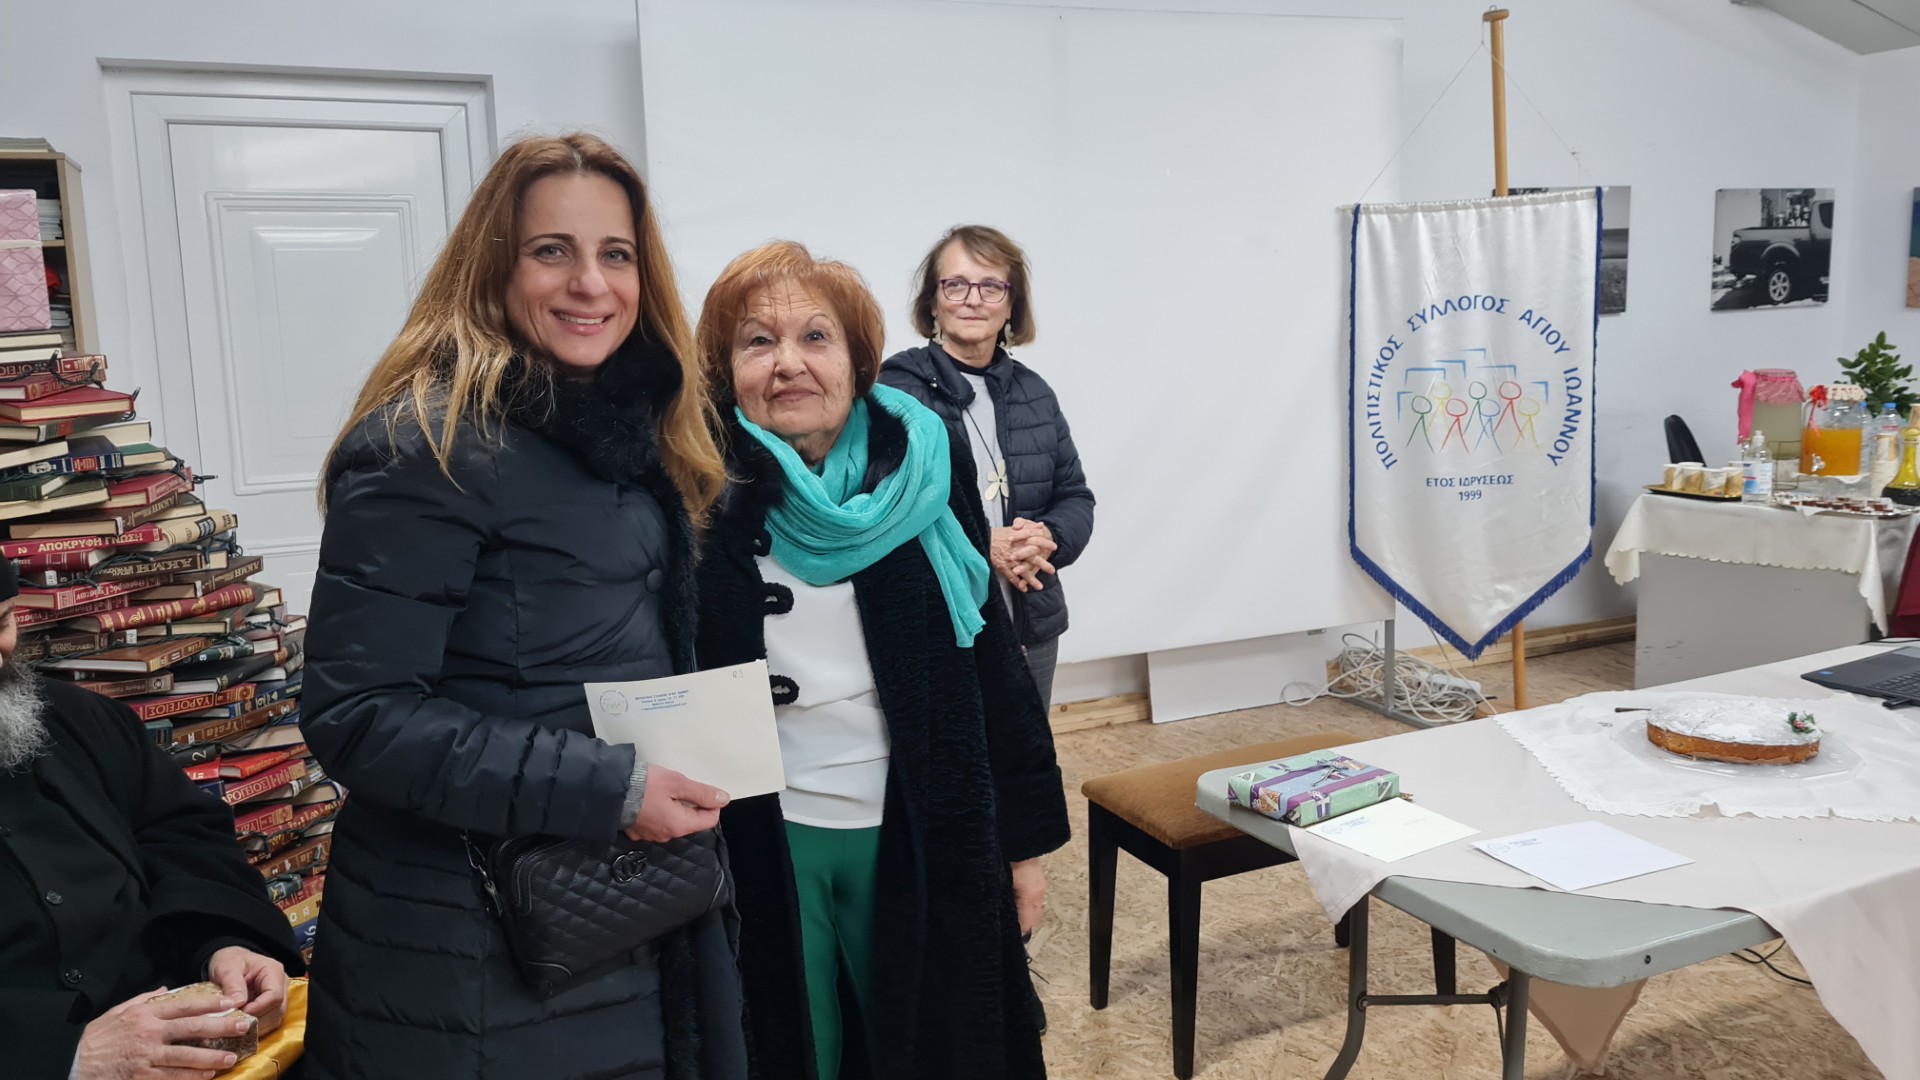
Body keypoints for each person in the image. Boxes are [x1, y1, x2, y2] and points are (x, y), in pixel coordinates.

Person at [301, 133, 746, 1080]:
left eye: (615, 254)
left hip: (609, 907)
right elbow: (358, 715)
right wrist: (612, 789)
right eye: (552, 250)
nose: (590, 283)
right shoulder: (426, 446)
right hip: (471, 949)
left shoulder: (623, 437)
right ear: (494, 266)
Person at [693, 241, 1069, 1080]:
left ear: (858, 360)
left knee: (929, 1046)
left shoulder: (923, 465)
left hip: (920, 821)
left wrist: (1024, 847)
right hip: (762, 837)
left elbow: (989, 655)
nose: (788, 363)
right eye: (757, 341)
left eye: (815, 337)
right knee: (795, 1051)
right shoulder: (695, 483)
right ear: (725, 369)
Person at [0, 559, 304, 1080]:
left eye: (3, 621)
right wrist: (68, 1056)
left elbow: (183, 838)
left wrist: (223, 942)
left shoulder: (79, 718)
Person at [881, 225, 1095, 711]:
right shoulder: (894, 391)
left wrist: (1048, 537)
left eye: (991, 285)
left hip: (1032, 621)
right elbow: (882, 512)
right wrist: (982, 543)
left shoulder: (1035, 393)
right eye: (955, 284)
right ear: (933, 302)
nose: (973, 299)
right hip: (940, 627)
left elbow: (1075, 496)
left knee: (1029, 753)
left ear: (1011, 304)